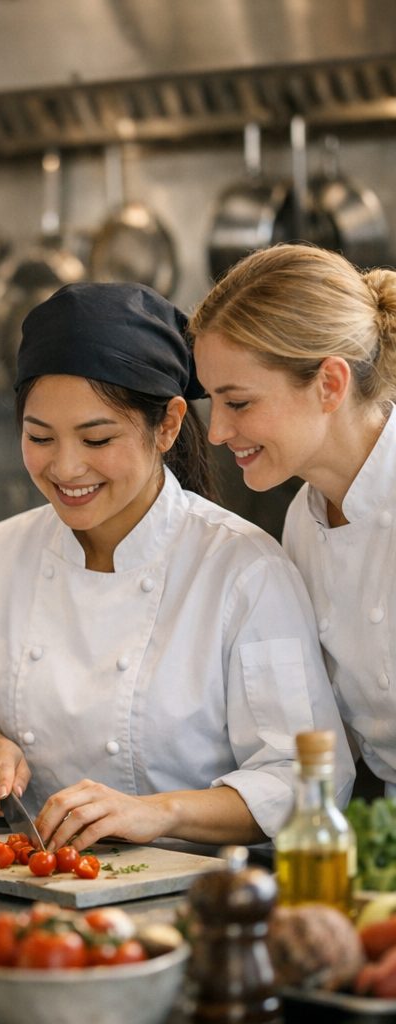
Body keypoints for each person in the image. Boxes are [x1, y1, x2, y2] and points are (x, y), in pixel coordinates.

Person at [0, 282, 353, 850]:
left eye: (97, 438)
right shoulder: (0, 552)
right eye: (40, 436)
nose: (66, 467)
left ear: (168, 425)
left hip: (196, 902)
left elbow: (303, 778)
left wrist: (158, 814)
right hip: (32, 885)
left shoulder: (242, 571)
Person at [191, 242, 396, 796]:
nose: (216, 432)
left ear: (330, 384)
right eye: (212, 400)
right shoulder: (303, 523)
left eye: (239, 402)